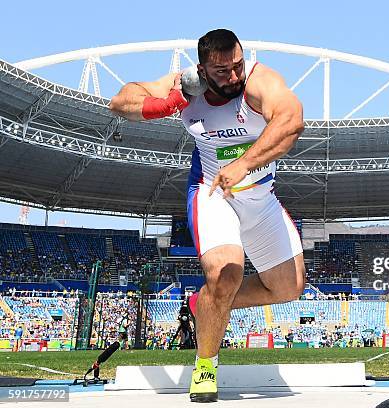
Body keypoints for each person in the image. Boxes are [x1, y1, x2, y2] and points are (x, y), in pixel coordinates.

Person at [109, 28, 305, 403]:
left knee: (288, 289)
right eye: (221, 71)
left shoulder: (258, 82)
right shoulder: (185, 85)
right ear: (202, 69)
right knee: (226, 274)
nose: (232, 77)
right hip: (213, 195)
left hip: (259, 197)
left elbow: (291, 120)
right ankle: (205, 368)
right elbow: (120, 102)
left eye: (237, 65)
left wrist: (245, 163)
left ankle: (205, 303)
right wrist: (165, 103)